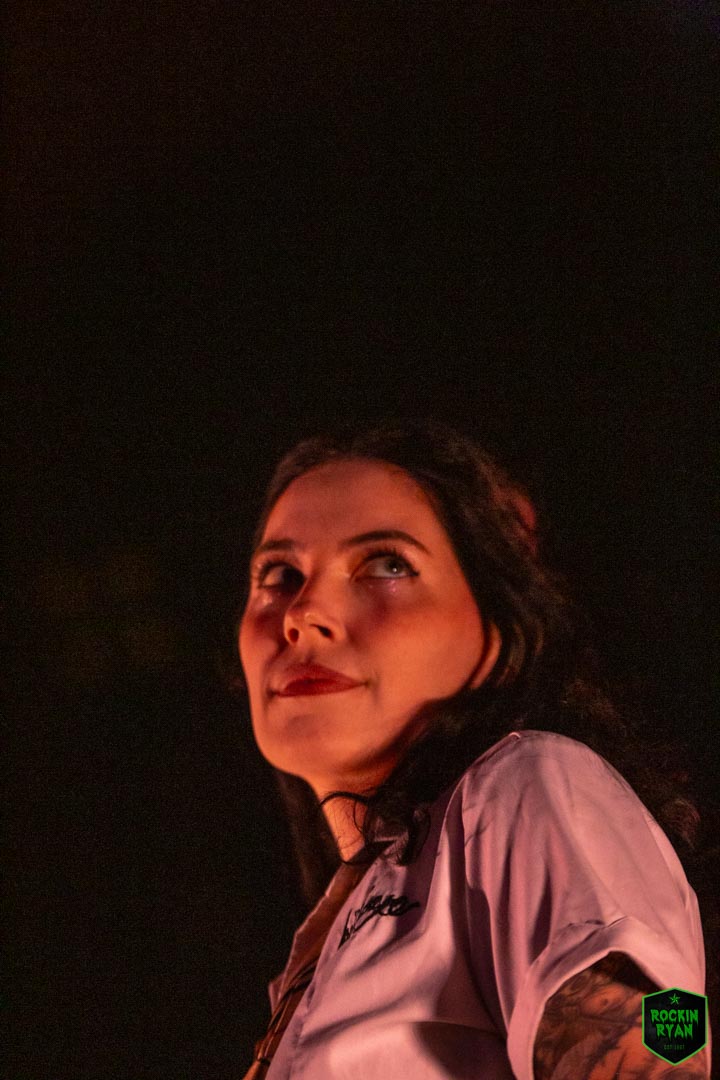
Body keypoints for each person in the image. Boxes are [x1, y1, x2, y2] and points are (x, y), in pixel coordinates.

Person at [237, 419, 709, 1079]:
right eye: (280, 574)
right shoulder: (334, 934)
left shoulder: (527, 785)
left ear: (499, 628)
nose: (301, 612)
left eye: (387, 564)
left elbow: (666, 1047)